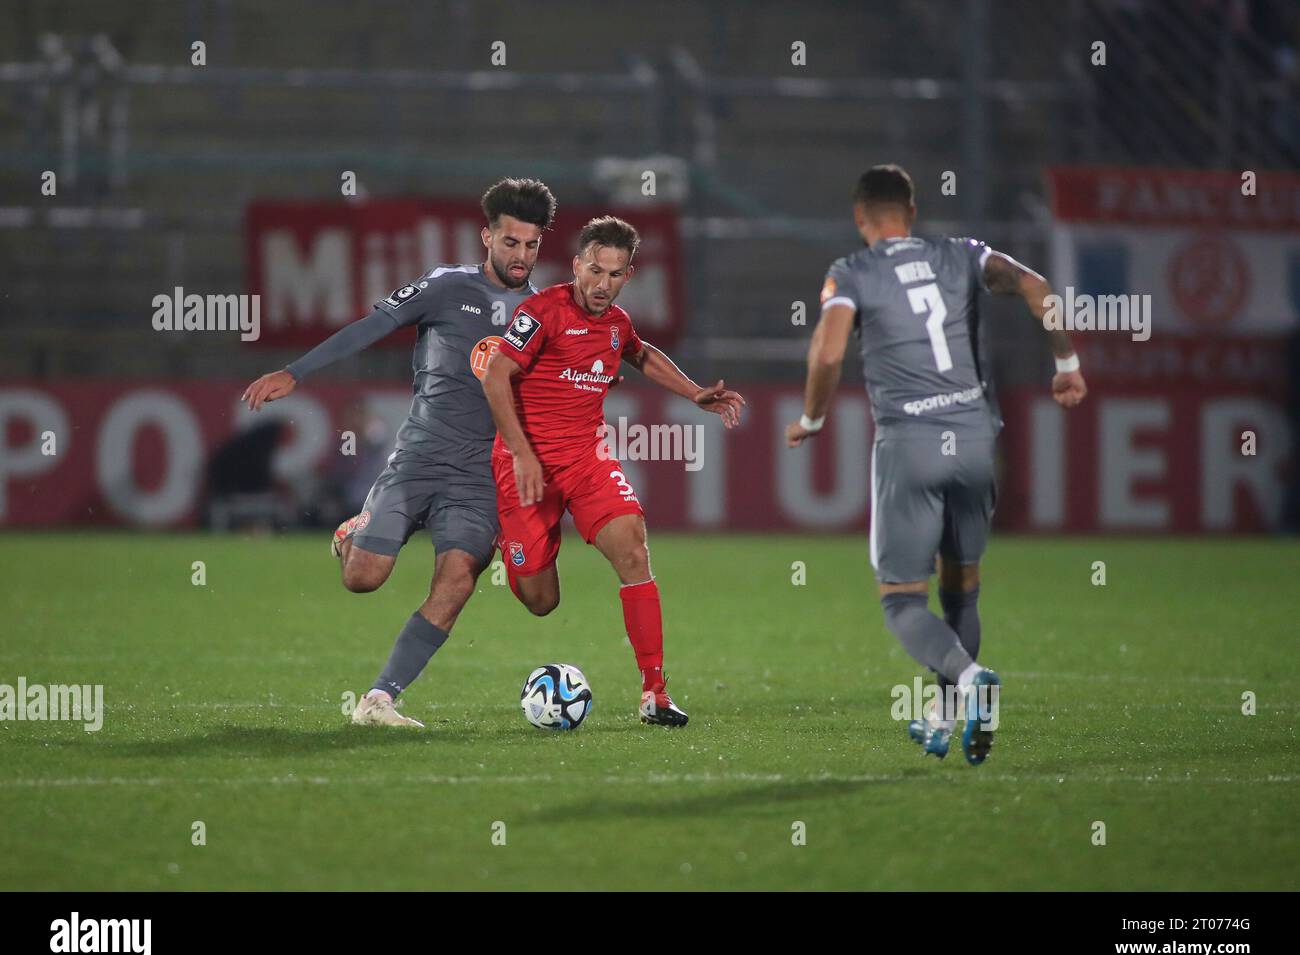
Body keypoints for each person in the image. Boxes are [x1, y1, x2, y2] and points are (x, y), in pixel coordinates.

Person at [786, 164, 1087, 764]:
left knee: (901, 599)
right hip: (977, 441)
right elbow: (1037, 287)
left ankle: (970, 681)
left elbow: (828, 350)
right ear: (913, 212)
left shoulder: (852, 271)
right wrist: (1067, 364)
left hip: (910, 442)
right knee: (963, 593)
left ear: (859, 217)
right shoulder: (962, 255)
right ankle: (944, 719)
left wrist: (813, 419)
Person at [241, 178, 557, 727]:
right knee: (363, 577)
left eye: (532, 245)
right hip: (420, 457)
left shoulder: (544, 313)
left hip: (480, 475)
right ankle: (352, 535)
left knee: (456, 580)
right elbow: (372, 326)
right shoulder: (445, 286)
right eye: (511, 242)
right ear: (486, 236)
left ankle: (380, 698)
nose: (522, 256)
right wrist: (296, 372)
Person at [481, 215, 745, 726]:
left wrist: (694, 393)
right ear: (577, 265)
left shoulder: (617, 323)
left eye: (616, 275)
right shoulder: (541, 312)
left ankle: (655, 693)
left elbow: (639, 355)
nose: (602, 285)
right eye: (595, 271)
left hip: (586, 460)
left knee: (633, 547)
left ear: (628, 275)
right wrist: (522, 452)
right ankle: (509, 545)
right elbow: (496, 377)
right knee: (540, 600)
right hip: (524, 466)